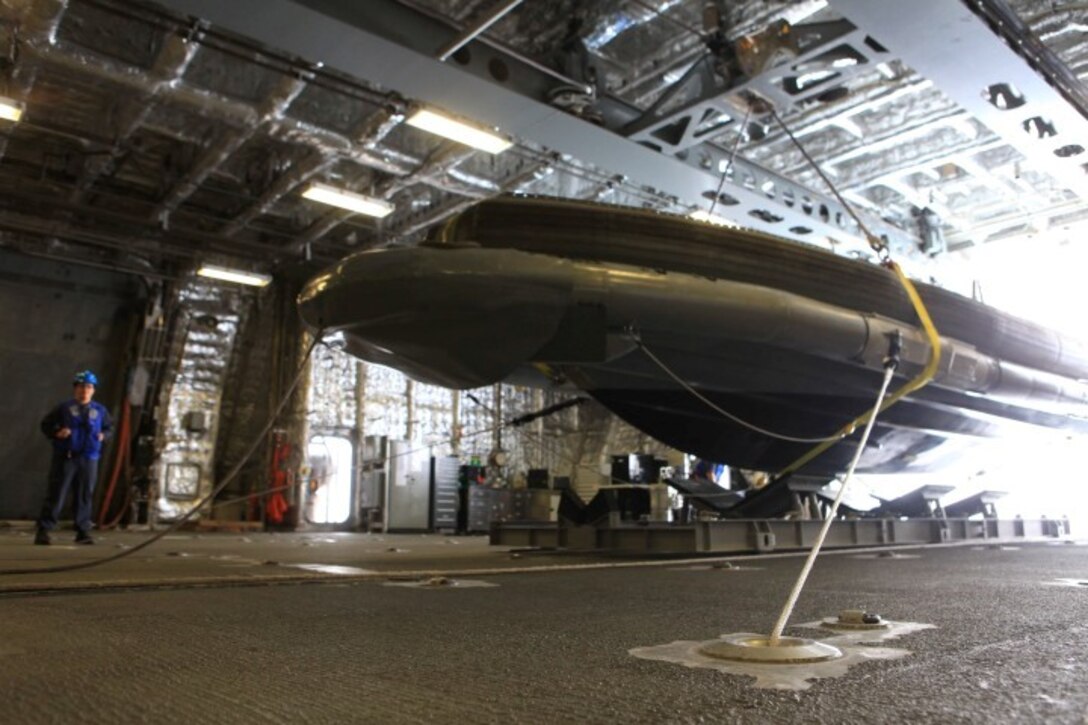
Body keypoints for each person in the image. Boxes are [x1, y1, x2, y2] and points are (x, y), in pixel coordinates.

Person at [35, 370, 113, 545]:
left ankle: (83, 531)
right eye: (80, 386)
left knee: (84, 494)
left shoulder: (100, 410)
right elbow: (46, 424)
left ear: (93, 390)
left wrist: (104, 435)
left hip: (89, 458)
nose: (84, 390)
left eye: (88, 387)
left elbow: (109, 428)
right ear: (75, 389)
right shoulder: (64, 408)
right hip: (67, 457)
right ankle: (44, 530)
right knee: (57, 493)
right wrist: (57, 432)